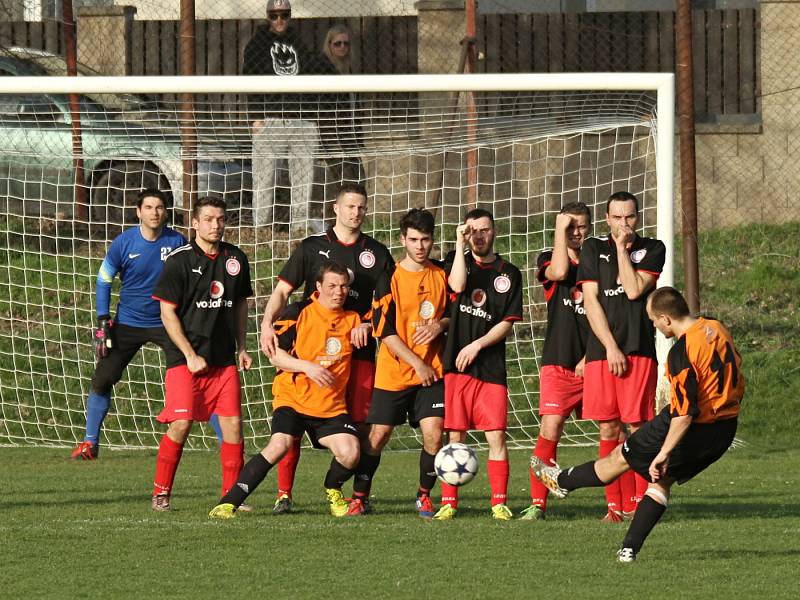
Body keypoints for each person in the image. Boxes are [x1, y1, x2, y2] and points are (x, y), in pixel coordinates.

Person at [532, 286, 745, 562]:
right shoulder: (716, 328)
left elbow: (684, 415)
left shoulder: (681, 353)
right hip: (724, 429)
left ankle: (561, 481)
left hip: (692, 422)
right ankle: (628, 550)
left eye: (654, 320)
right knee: (661, 481)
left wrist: (664, 452)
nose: (654, 325)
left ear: (667, 319)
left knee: (622, 458)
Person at [259, 182, 393, 514]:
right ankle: (284, 494)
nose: (356, 212)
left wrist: (367, 324)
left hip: (356, 352)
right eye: (350, 206)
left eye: (361, 207)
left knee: (362, 426)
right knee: (291, 424)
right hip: (310, 348)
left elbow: (386, 304)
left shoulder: (377, 253)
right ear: (335, 209)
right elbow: (281, 292)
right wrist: (265, 324)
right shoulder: (311, 247)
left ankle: (358, 498)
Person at [69, 190, 223, 459]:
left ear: (166, 212)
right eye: (149, 207)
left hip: (169, 322)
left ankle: (227, 442)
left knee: (198, 377)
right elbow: (104, 279)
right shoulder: (123, 243)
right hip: (128, 322)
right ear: (138, 212)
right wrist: (103, 319)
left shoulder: (177, 241)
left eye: (160, 207)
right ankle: (89, 442)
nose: (155, 212)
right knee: (102, 379)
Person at [209, 261, 364, 519]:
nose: (339, 292)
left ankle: (333, 490)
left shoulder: (353, 319)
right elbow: (274, 356)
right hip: (292, 398)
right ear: (318, 287)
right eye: (332, 286)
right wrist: (307, 367)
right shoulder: (299, 311)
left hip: (330, 406)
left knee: (351, 453)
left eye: (344, 286)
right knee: (279, 445)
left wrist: (367, 326)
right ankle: (228, 503)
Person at [149, 196, 253, 511]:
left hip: (223, 361)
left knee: (233, 425)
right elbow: (167, 312)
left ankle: (230, 498)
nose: (215, 224)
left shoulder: (236, 259)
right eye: (208, 219)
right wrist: (189, 353)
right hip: (186, 361)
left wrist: (243, 348)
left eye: (220, 219)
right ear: (194, 223)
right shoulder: (179, 260)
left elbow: (240, 306)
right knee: (181, 424)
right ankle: (161, 493)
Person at [349, 208, 449, 517]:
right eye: (414, 239)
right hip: (395, 373)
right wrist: (417, 364)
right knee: (377, 437)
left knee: (434, 433)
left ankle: (424, 495)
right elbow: (384, 331)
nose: (420, 246)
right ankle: (359, 496)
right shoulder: (388, 277)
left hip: (433, 373)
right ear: (403, 239)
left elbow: (455, 314)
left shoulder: (442, 273)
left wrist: (440, 325)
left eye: (426, 239)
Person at [577, 191, 666, 522]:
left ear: (637, 218)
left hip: (638, 352)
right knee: (608, 429)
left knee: (639, 428)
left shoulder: (653, 249)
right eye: (617, 217)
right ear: (607, 219)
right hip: (603, 353)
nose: (623, 223)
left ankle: (644, 504)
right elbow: (590, 301)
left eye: (629, 217)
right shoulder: (591, 248)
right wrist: (610, 347)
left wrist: (620, 249)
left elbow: (631, 289)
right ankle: (614, 507)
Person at [434, 208, 523, 521]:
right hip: (456, 367)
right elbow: (456, 287)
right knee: (455, 435)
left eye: (485, 230)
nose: (480, 236)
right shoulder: (457, 262)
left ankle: (498, 502)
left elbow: (506, 323)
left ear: (494, 232)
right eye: (473, 231)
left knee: (496, 435)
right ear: (465, 233)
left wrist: (478, 344)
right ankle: (449, 503)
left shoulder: (509, 273)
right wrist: (459, 246)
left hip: (490, 367)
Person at [521, 202, 591, 520]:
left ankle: (624, 505)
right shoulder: (548, 260)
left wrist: (591, 357)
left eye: (581, 226)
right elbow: (561, 272)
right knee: (550, 429)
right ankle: (538, 505)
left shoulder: (600, 263)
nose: (576, 232)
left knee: (615, 431)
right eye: (570, 226)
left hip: (597, 363)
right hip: (558, 362)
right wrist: (558, 230)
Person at [243, 0, 334, 232]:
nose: (280, 20)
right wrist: (255, 117)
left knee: (303, 180)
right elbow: (249, 82)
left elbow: (313, 78)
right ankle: (260, 230)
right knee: (264, 179)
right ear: (267, 17)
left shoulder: (300, 44)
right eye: (275, 16)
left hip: (301, 120)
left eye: (284, 15)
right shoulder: (256, 45)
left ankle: (299, 230)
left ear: (291, 16)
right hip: (271, 120)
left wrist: (313, 117)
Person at [319, 23, 365, 196]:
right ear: (329, 45)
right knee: (348, 184)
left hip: (350, 136)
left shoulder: (349, 69)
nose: (342, 47)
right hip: (333, 135)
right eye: (337, 43)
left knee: (359, 179)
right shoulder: (323, 70)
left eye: (346, 43)